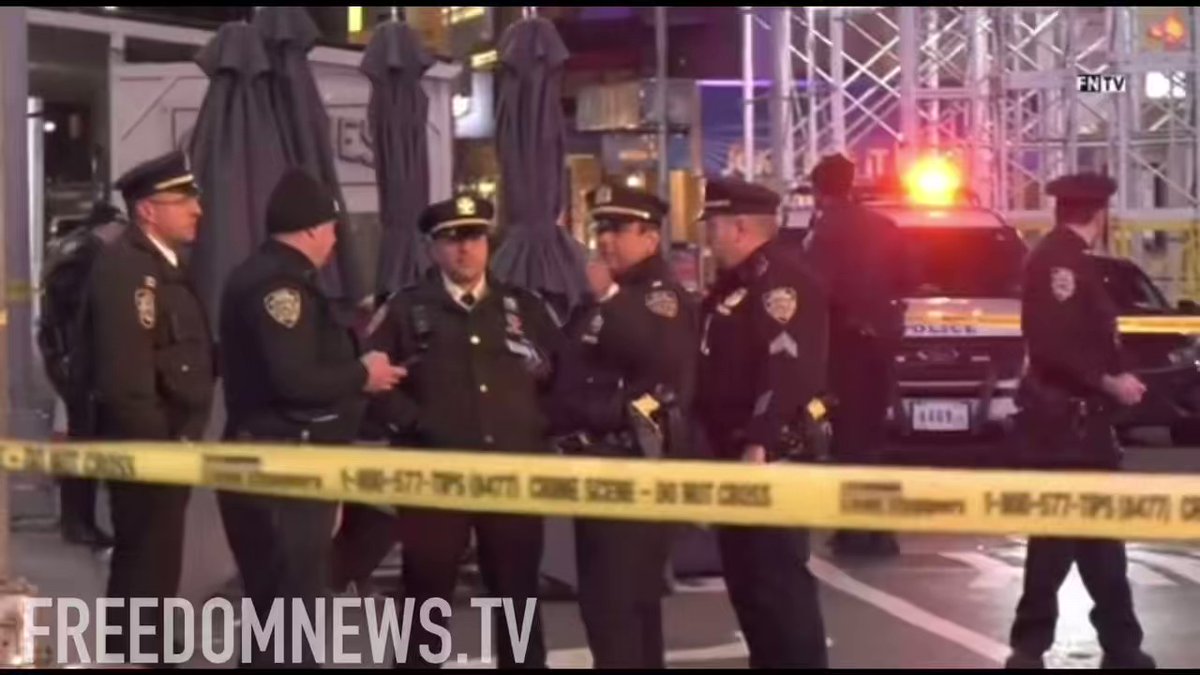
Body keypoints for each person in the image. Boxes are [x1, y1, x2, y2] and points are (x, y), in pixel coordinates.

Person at [216, 167, 406, 667]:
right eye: (331, 229)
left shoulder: (266, 276)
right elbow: (295, 379)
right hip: (283, 463)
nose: (334, 240)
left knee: (277, 613)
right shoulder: (282, 289)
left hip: (282, 459)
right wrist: (361, 375)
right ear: (313, 229)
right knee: (289, 613)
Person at [366, 193, 563, 669]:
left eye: (474, 238)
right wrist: (418, 423)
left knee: (515, 596)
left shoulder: (525, 306)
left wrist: (537, 428)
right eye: (452, 240)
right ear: (432, 247)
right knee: (425, 597)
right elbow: (373, 384)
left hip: (510, 475)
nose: (465, 250)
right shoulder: (404, 309)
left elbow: (560, 377)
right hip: (436, 475)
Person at [1004, 173, 1156, 670]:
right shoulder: (1059, 263)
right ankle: (1031, 646)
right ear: (1100, 214)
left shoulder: (1065, 259)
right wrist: (1110, 383)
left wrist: (1113, 380)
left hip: (1081, 425)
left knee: (1098, 540)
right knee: (1057, 538)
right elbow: (1054, 346)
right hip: (1064, 424)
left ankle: (1121, 644)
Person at [549, 183, 698, 668]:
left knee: (614, 605)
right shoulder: (611, 296)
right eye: (600, 229)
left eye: (617, 230)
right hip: (598, 465)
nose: (605, 241)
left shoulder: (657, 297)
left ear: (650, 237)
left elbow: (659, 364)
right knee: (620, 604)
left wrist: (609, 297)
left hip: (632, 464)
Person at [76, 150, 217, 661]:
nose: (197, 209)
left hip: (168, 441)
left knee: (156, 561)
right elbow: (125, 378)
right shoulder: (130, 270)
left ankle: (146, 644)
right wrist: (159, 445)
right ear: (147, 211)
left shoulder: (163, 267)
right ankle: (138, 652)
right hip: (147, 445)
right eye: (183, 201)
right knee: (144, 560)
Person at [693, 177, 830, 668]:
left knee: (778, 589)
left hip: (767, 458)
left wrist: (760, 442)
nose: (708, 236)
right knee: (749, 588)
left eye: (713, 224)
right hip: (731, 454)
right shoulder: (737, 284)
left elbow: (787, 368)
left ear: (740, 226)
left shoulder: (781, 283)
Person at [804, 153, 909, 557]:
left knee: (847, 441)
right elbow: (907, 279)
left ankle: (854, 530)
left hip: (842, 346)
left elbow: (815, 289)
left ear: (818, 191)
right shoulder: (885, 227)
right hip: (879, 344)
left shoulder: (824, 232)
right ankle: (880, 530)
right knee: (872, 440)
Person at [38, 200, 126, 549]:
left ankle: (79, 521)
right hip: (75, 360)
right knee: (82, 439)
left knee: (78, 436)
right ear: (108, 228)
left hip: (67, 358)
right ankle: (79, 523)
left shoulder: (74, 250)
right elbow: (77, 313)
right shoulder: (87, 257)